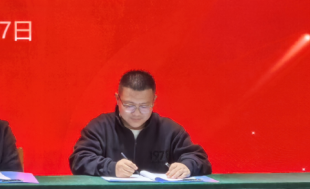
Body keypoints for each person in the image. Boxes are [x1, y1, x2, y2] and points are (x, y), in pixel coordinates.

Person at [69, 70, 211, 180]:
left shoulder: (170, 130)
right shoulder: (100, 127)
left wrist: (187, 166)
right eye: (129, 105)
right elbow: (79, 159)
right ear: (117, 99)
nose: (136, 113)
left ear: (154, 100)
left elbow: (199, 159)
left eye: (144, 106)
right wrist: (111, 167)